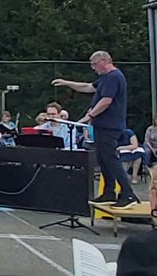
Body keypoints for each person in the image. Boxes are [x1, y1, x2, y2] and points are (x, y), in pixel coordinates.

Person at [55, 52, 136, 205]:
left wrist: (89, 116)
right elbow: (88, 87)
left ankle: (127, 193)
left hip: (110, 126)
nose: (93, 68)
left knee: (111, 159)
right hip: (101, 126)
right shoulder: (105, 78)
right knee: (103, 159)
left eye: (94, 64)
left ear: (104, 61)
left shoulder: (114, 77)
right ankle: (109, 192)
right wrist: (66, 83)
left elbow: (106, 101)